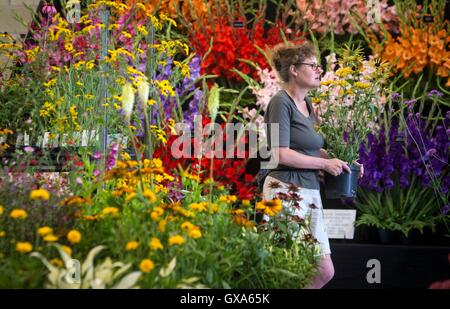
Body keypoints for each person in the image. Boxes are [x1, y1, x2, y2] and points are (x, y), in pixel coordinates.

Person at [262, 42, 363, 289]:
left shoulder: (308, 105)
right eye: (313, 65)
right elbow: (280, 154)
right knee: (286, 269)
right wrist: (324, 163)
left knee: (324, 271)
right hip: (284, 190)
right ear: (294, 70)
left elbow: (310, 148)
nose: (319, 70)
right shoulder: (280, 103)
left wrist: (346, 162)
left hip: (309, 192)